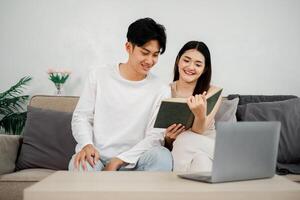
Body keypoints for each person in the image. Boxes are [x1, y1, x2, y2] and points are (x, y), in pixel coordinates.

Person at [68, 18, 172, 172]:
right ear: (128, 47)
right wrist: (86, 145)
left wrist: (120, 160)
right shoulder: (99, 75)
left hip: (136, 160)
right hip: (97, 157)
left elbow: (155, 137)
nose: (150, 61)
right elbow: (81, 117)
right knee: (81, 165)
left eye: (155, 55)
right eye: (145, 53)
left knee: (162, 156)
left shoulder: (161, 89)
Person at [164, 41, 222, 172]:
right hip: (184, 153)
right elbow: (161, 139)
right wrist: (168, 139)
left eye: (198, 64)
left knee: (184, 139)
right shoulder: (165, 91)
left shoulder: (213, 91)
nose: (191, 67)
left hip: (209, 147)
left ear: (205, 68)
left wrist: (200, 114)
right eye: (186, 60)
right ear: (178, 60)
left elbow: (199, 131)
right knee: (201, 162)